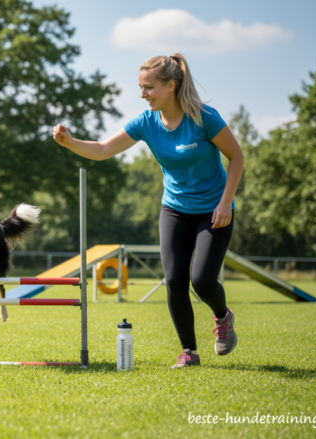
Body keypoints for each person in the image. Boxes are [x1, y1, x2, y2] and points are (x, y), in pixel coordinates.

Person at [53, 53, 243, 369]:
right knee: (174, 280)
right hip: (175, 209)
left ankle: (223, 317)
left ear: (171, 85)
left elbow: (236, 157)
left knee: (202, 280)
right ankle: (189, 352)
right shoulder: (146, 122)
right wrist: (70, 142)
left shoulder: (204, 118)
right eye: (141, 87)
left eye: (149, 87)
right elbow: (103, 149)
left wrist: (226, 202)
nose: (143, 94)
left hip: (213, 210)